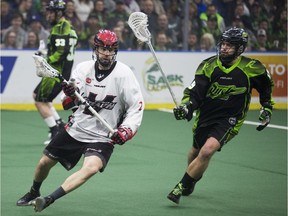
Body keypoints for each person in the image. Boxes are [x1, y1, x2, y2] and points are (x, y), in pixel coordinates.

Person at [16, 29, 144, 212]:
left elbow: (136, 106)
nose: (107, 53)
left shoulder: (124, 74)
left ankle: (49, 199)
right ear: (96, 48)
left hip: (103, 135)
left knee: (91, 168)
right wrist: (70, 95)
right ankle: (33, 191)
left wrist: (126, 130)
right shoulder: (83, 69)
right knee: (44, 163)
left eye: (111, 50)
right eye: (103, 49)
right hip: (77, 128)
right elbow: (67, 104)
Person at [167, 27, 274, 204]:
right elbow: (195, 94)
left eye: (230, 45)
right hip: (206, 116)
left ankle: (180, 186)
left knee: (207, 150)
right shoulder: (207, 66)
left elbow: (266, 87)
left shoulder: (252, 68)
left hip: (230, 119)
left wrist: (267, 108)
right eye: (223, 44)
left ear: (240, 48)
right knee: (196, 151)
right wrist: (187, 107)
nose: (224, 48)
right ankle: (192, 178)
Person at [32, 0, 78, 145]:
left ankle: (55, 131)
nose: (48, 15)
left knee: (40, 101)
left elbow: (61, 52)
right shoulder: (69, 27)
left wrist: (45, 60)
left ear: (59, 13)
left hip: (56, 72)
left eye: (51, 12)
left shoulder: (60, 27)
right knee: (38, 96)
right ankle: (58, 124)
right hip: (60, 71)